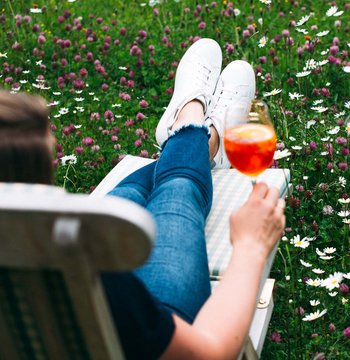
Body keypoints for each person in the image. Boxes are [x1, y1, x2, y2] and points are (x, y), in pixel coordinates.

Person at [0, 38, 285, 359]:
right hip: (151, 328)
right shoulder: (92, 284)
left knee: (130, 196)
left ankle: (191, 129)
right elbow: (209, 352)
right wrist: (251, 246)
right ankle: (197, 129)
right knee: (179, 190)